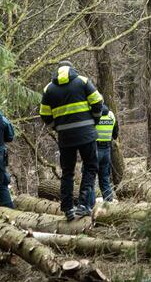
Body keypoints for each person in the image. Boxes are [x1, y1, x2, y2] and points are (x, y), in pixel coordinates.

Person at [39, 61, 103, 221]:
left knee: (67, 172)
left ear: (57, 70)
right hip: (87, 134)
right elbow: (97, 101)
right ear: (72, 68)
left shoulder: (49, 89)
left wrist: (57, 127)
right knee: (90, 167)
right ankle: (83, 205)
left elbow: (44, 115)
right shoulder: (82, 81)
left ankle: (67, 208)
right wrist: (94, 120)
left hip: (65, 137)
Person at [84, 103, 118, 205]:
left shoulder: (91, 115)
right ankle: (109, 206)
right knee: (105, 179)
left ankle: (90, 206)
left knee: (89, 180)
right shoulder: (111, 115)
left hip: (94, 150)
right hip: (107, 151)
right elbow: (115, 135)